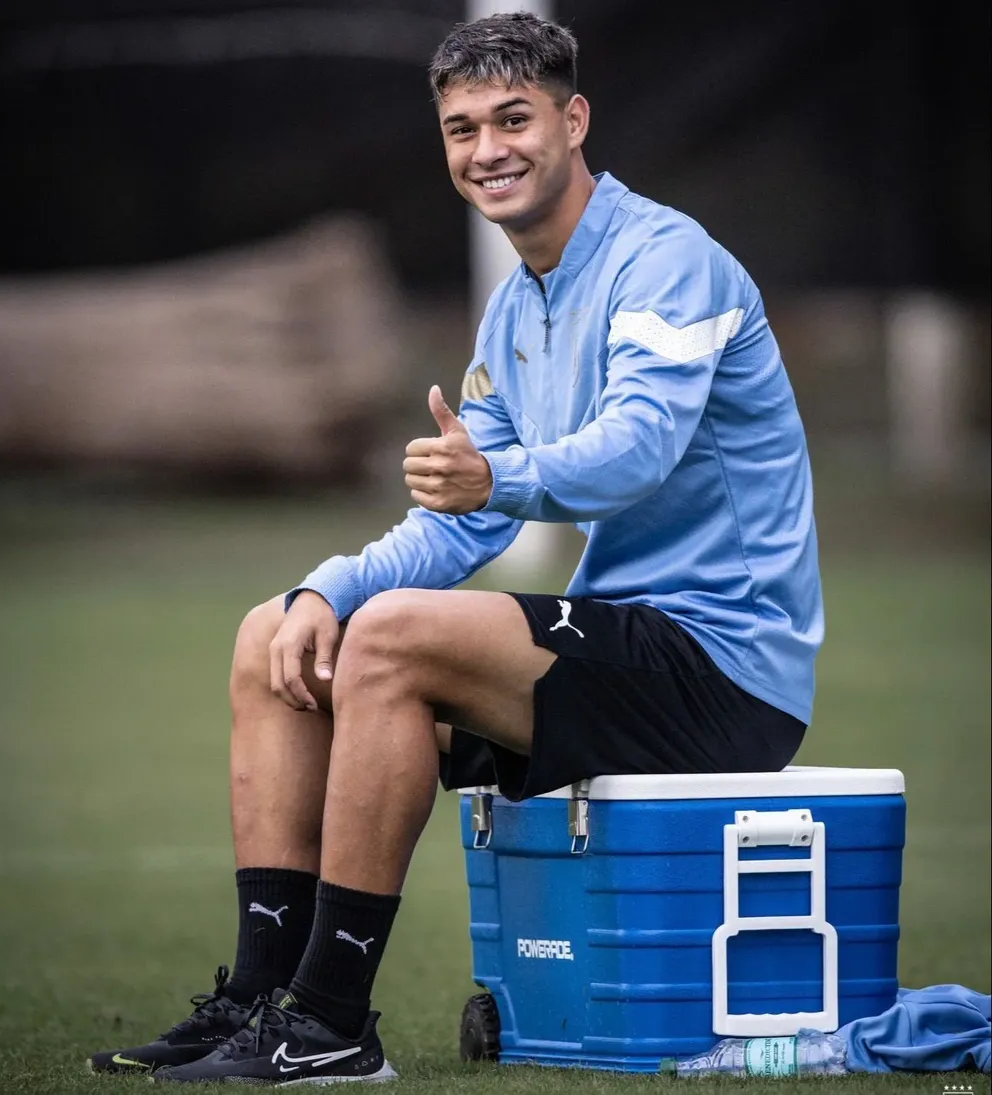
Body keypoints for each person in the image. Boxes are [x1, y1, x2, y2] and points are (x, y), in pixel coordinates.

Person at [89, 10, 823, 1086]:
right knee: (278, 636)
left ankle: (333, 1023)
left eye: (514, 117)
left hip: (722, 671)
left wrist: (500, 477)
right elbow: (465, 526)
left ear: (574, 120)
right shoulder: (516, 311)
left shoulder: (668, 260)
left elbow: (637, 454)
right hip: (611, 660)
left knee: (388, 640)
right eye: (462, 128)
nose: (488, 150)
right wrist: (320, 588)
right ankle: (257, 1007)